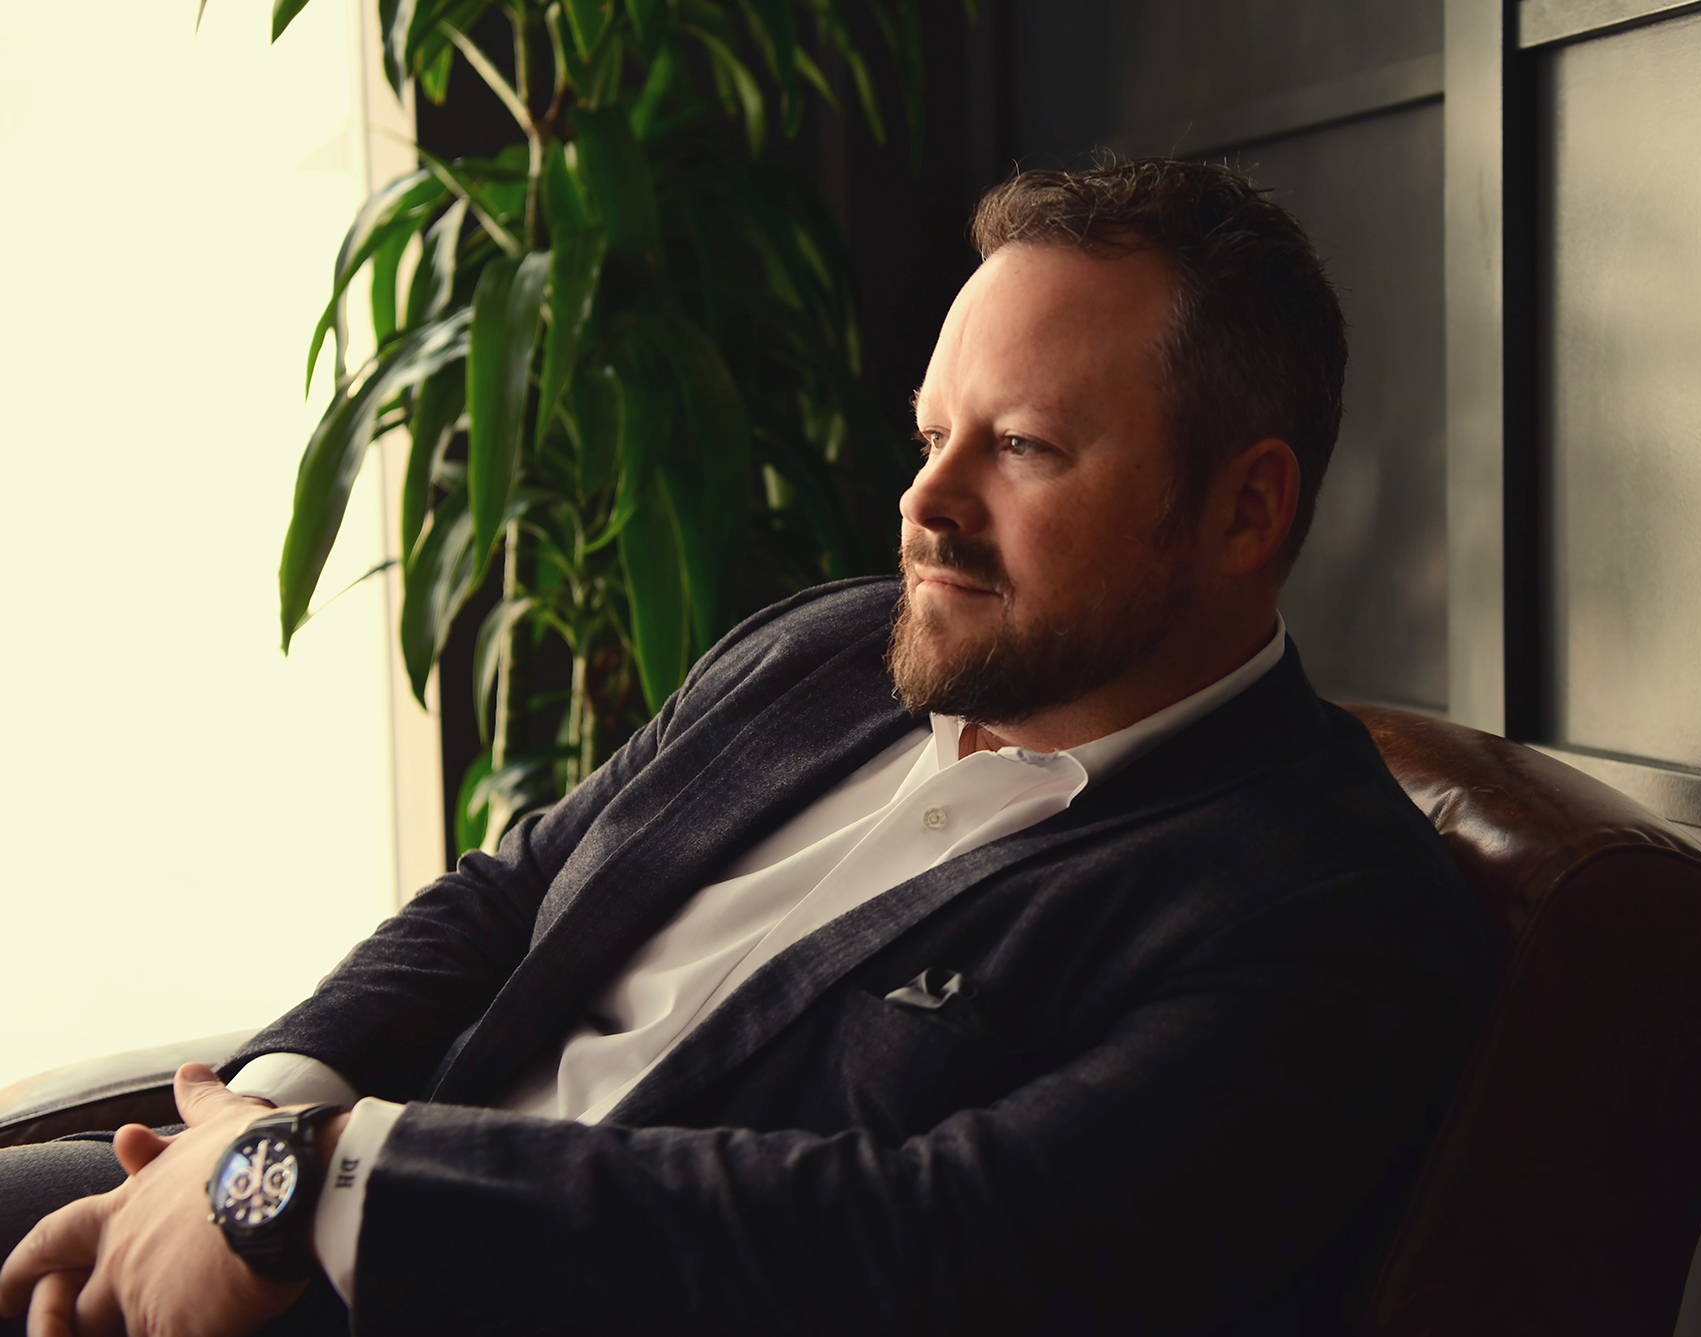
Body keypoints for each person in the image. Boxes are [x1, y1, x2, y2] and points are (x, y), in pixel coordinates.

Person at [0, 157, 1491, 1336]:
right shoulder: (827, 646)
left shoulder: (1323, 901)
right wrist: (262, 1121)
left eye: (1022, 447)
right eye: (931, 437)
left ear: (1246, 510)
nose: (926, 502)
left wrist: (314, 1193)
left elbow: (938, 1246)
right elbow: (511, 889)